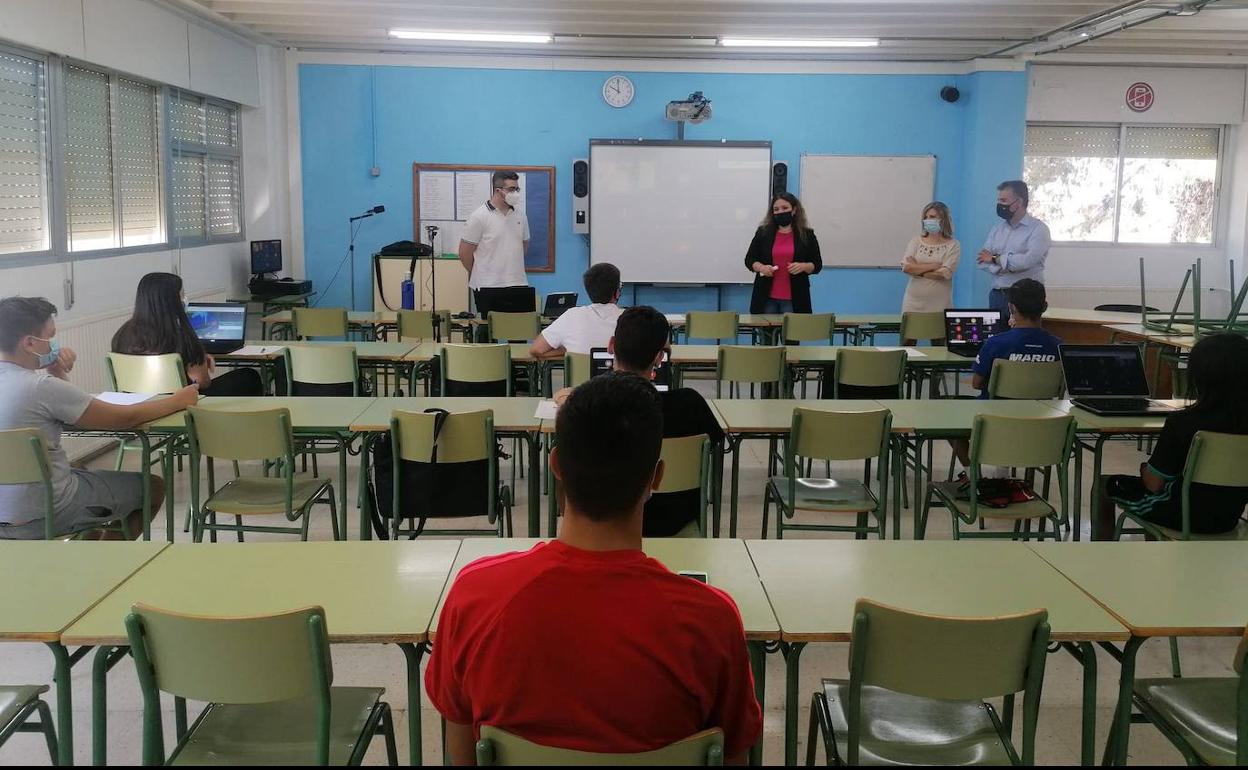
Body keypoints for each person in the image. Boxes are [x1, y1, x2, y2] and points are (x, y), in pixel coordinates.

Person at [426, 373, 761, 764]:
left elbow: (460, 754)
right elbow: (735, 755)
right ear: (656, 477)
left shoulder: (473, 596)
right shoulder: (713, 620)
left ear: (556, 465)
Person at [0, 297, 199, 539]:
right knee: (153, 487)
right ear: (30, 343)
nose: (53, 345)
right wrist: (178, 400)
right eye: (49, 337)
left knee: (78, 468)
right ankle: (107, 557)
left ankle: (89, 549)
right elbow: (125, 418)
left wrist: (55, 369)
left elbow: (65, 412)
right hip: (43, 513)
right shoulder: (41, 387)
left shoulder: (40, 386)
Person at [555, 305, 725, 536]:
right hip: (676, 524)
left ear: (611, 346)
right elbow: (717, 446)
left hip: (608, 523)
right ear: (660, 357)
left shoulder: (591, 407)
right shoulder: (691, 404)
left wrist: (567, 398)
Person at [1096, 333, 1248, 539]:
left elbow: (1154, 484)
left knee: (1105, 484)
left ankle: (1103, 550)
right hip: (1228, 519)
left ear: (1198, 377)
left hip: (1181, 516)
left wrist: (1146, 470)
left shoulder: (1183, 422)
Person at [951, 279, 1060, 469]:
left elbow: (977, 383)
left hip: (994, 417)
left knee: (950, 415)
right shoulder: (1059, 346)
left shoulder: (996, 343)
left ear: (1011, 307)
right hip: (1041, 419)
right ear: (1044, 307)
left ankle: (973, 473)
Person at [111, 272, 264, 396]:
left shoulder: (122, 335)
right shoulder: (182, 337)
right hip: (180, 404)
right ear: (172, 301)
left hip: (139, 402)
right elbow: (202, 382)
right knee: (249, 376)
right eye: (181, 295)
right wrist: (200, 361)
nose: (184, 299)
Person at [459, 170, 531, 319]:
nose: (516, 193)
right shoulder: (479, 216)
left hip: (517, 283)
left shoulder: (521, 215)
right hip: (488, 286)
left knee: (520, 330)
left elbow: (524, 245)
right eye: (511, 189)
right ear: (498, 190)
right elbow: (465, 253)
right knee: (489, 331)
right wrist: (481, 271)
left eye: (517, 189)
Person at [978, 180, 1051, 318]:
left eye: (1003, 200)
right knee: (996, 333)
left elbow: (1027, 261)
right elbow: (982, 261)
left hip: (1026, 297)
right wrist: (1006, 264)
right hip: (997, 295)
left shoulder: (1038, 229)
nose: (999, 204)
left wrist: (995, 259)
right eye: (999, 200)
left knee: (1022, 333)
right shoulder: (997, 229)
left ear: (1019, 202)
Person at [744, 193, 823, 315]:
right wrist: (761, 267)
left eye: (785, 208)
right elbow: (749, 259)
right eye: (776, 209)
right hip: (765, 297)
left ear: (794, 210)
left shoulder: (807, 235)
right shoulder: (763, 233)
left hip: (796, 297)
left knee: (793, 328)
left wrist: (804, 266)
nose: (780, 212)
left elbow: (817, 264)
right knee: (765, 328)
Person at [529, 263, 623, 359]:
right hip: (616, 369)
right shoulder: (627, 318)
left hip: (581, 369)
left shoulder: (571, 315)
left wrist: (566, 351)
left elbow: (536, 349)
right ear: (617, 292)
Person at [901, 201, 960, 335]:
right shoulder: (916, 241)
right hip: (913, 302)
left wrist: (917, 268)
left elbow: (944, 273)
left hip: (939, 303)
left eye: (932, 217)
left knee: (938, 340)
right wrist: (933, 266)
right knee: (908, 339)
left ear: (943, 219)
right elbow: (906, 268)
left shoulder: (953, 245)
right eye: (926, 217)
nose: (927, 220)